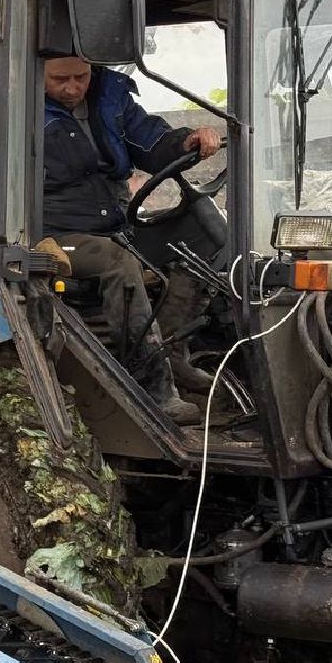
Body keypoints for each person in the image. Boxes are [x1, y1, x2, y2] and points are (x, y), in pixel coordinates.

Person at [42, 54, 218, 425]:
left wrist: (185, 141)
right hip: (52, 234)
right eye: (60, 79)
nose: (73, 88)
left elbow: (150, 142)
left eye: (81, 76)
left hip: (115, 223)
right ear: (35, 70)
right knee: (116, 262)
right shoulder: (10, 107)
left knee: (203, 234)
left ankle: (169, 349)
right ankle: (151, 386)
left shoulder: (110, 95)